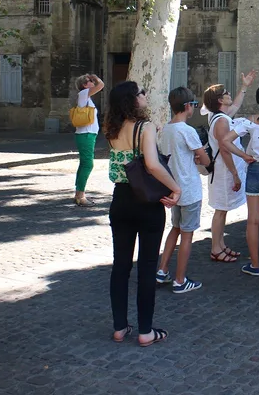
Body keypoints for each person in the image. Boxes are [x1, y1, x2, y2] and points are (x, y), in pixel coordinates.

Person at [105, 81, 181, 346]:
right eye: (140, 93)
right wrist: (175, 187)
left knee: (121, 266)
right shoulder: (145, 127)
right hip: (147, 201)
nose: (145, 95)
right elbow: (151, 164)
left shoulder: (111, 128)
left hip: (121, 199)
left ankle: (118, 327)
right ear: (132, 100)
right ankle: (145, 331)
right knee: (148, 266)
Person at [219, 84, 259, 276]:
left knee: (253, 221)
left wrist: (244, 156)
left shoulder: (250, 121)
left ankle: (254, 265)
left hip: (255, 169)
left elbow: (225, 141)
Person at [156, 87, 210, 293]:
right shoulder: (188, 131)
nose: (194, 109)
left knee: (175, 228)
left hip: (172, 186)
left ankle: (163, 270)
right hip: (189, 188)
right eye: (194, 105)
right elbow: (204, 159)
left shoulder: (166, 129)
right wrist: (201, 155)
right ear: (187, 106)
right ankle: (180, 280)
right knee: (187, 235)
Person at [202, 70, 258, 262]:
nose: (228, 94)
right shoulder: (221, 121)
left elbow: (235, 105)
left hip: (221, 169)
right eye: (225, 93)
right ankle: (216, 249)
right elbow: (225, 149)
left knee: (222, 209)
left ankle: (220, 245)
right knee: (220, 210)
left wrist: (245, 86)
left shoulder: (219, 116)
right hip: (223, 171)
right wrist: (235, 174)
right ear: (219, 100)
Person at [72, 73, 104, 206]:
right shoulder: (84, 94)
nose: (93, 83)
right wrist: (96, 77)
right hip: (86, 134)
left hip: (87, 134)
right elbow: (101, 85)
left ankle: (79, 193)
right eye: (90, 81)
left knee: (84, 164)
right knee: (88, 164)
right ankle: (80, 195)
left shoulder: (86, 97)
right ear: (85, 85)